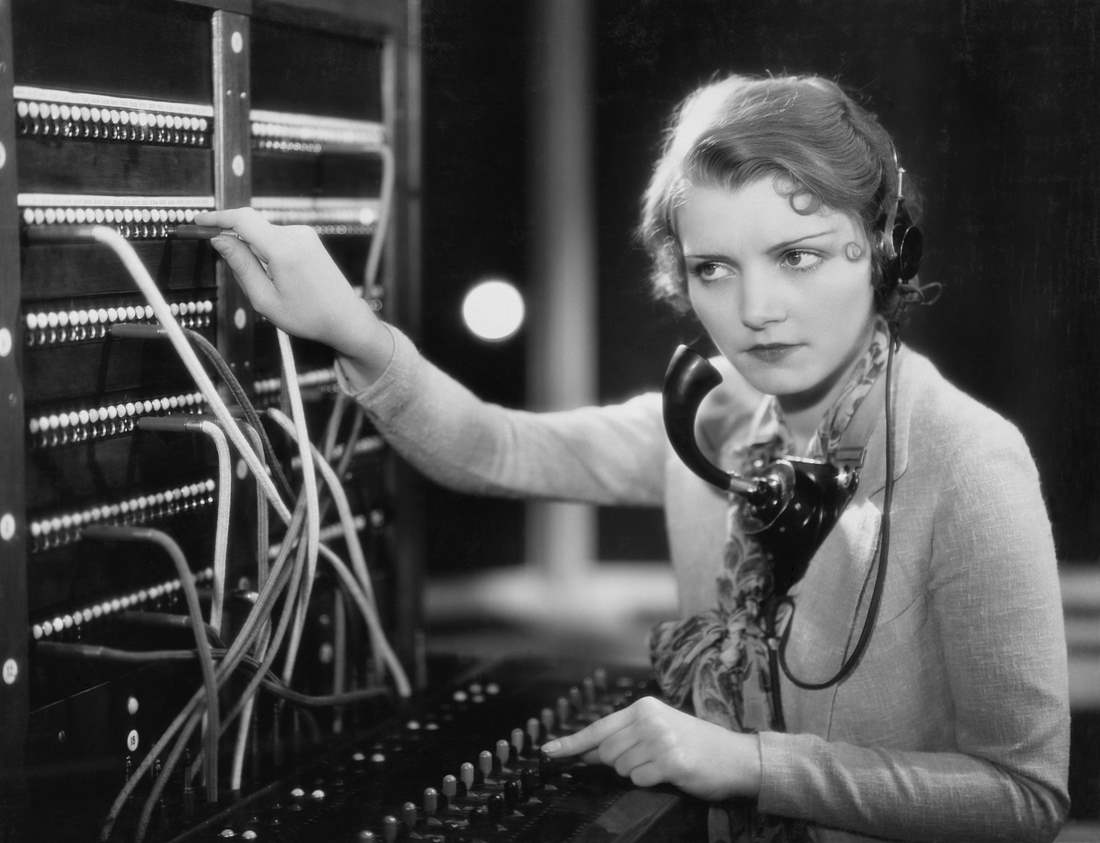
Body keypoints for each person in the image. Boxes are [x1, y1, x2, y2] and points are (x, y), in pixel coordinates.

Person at [195, 73, 1070, 842]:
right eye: (714, 268)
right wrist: (349, 326)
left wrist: (752, 762)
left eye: (797, 256)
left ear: (881, 249)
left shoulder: (971, 462)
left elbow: (1021, 796)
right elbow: (493, 447)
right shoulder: (712, 420)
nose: (756, 308)